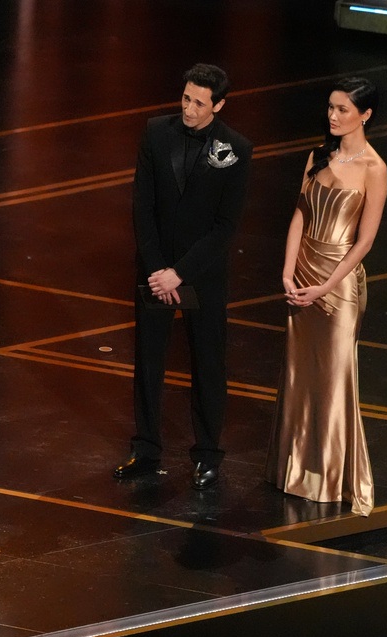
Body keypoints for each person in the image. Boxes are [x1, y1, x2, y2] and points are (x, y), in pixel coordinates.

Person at [114, 64, 253, 489]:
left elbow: (225, 226)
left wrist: (181, 273)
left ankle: (208, 454)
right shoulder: (156, 132)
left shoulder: (236, 148)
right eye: (186, 98)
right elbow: (143, 204)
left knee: (208, 362)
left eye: (199, 102)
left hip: (202, 275)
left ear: (219, 105)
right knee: (148, 360)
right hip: (157, 272)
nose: (189, 108)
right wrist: (158, 269)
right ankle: (145, 448)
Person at [266, 78, 386, 517]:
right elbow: (300, 214)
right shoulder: (317, 157)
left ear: (365, 115)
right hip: (303, 274)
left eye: (342, 110)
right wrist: (287, 269)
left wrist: (325, 286)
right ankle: (293, 472)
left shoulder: (375, 168)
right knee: (299, 374)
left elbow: (365, 242)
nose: (333, 117)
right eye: (331, 109)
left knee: (335, 379)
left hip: (340, 283)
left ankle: (332, 479)